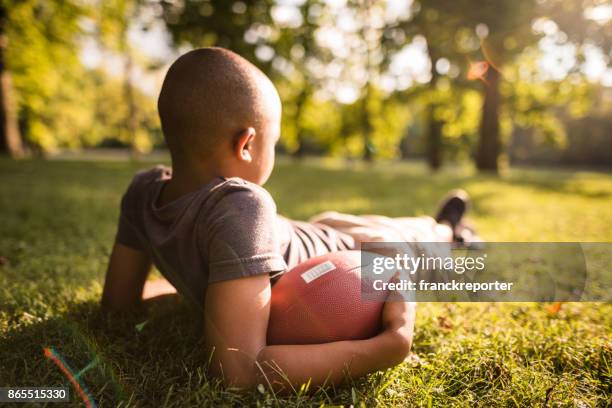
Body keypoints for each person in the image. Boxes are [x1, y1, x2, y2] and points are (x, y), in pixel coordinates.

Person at [101, 47, 474, 392]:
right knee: (385, 235)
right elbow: (240, 373)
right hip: (334, 252)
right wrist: (386, 348)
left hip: (324, 239)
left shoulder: (143, 191)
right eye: (273, 142)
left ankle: (447, 231)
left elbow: (118, 303)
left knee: (390, 231)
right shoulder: (241, 205)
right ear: (246, 144)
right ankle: (442, 229)